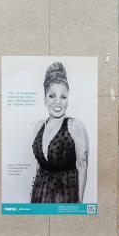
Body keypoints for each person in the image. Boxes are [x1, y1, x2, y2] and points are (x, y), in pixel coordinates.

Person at [31, 62, 89, 203]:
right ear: (45, 99)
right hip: (39, 195)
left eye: (63, 97)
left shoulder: (75, 125)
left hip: (65, 196)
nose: (58, 102)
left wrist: (79, 204)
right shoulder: (38, 126)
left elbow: (83, 166)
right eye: (52, 96)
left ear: (68, 100)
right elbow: (39, 166)